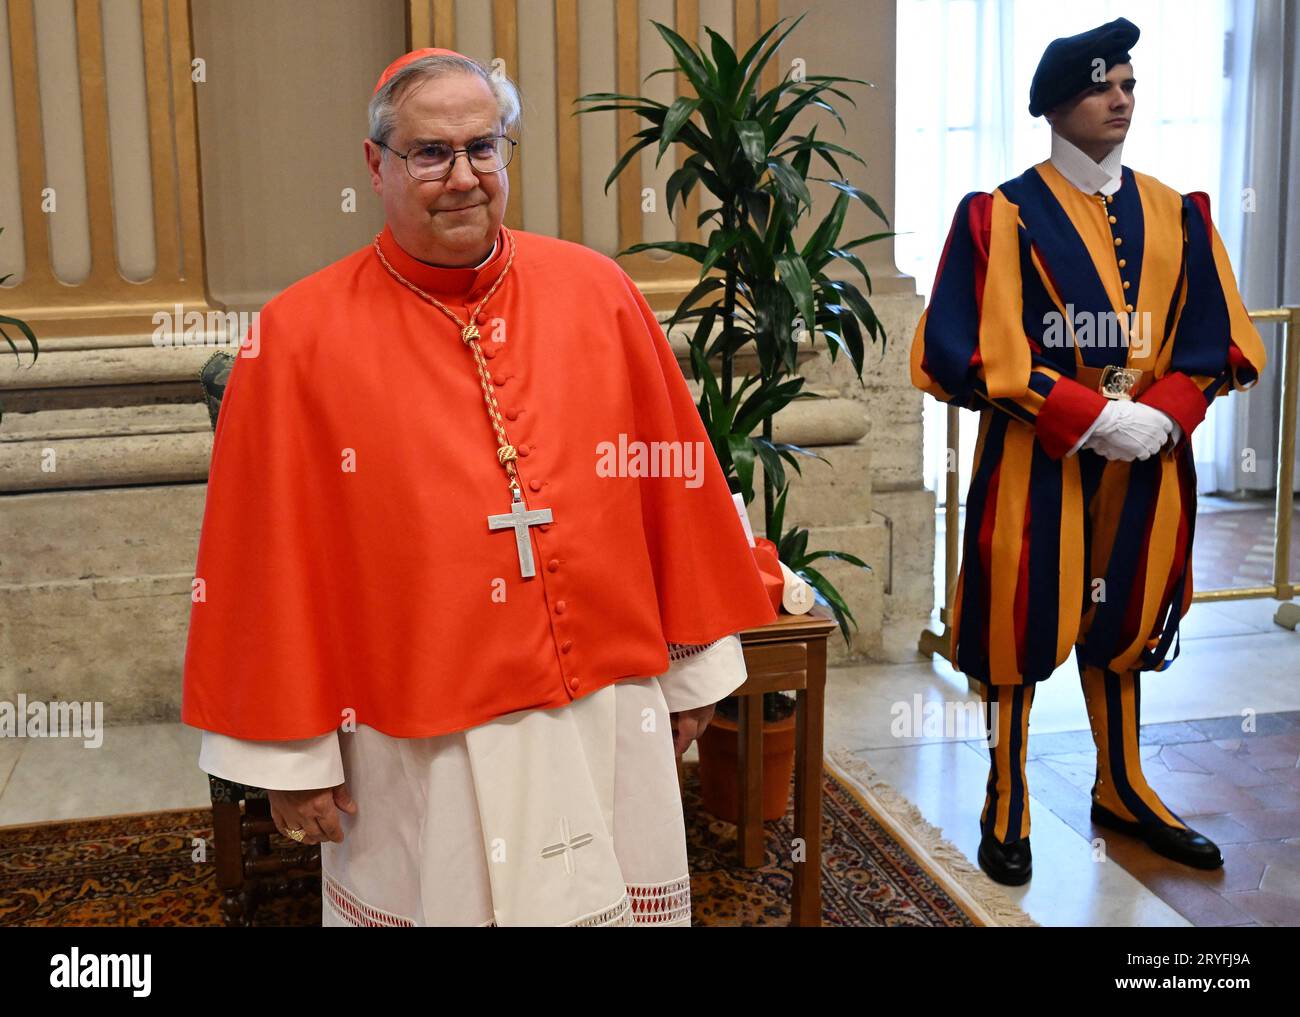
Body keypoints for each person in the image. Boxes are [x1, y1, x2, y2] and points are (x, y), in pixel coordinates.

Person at [182, 47, 777, 925]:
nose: (462, 177)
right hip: (415, 729)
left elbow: (671, 490)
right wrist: (294, 759)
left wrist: (689, 676)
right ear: (375, 164)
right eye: (430, 153)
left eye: (483, 148)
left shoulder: (599, 293)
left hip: (602, 706)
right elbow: (264, 563)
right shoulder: (298, 338)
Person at [910, 18, 1266, 885]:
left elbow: (1214, 341)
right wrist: (1085, 414)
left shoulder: (1178, 213)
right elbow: (963, 347)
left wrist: (1168, 413)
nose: (1121, 99)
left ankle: (1123, 783)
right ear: (1056, 104)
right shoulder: (1000, 215)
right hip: (1038, 457)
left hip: (1149, 461)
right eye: (1104, 85)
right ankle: (1009, 792)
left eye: (1131, 85)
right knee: (1019, 620)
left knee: (1127, 620)